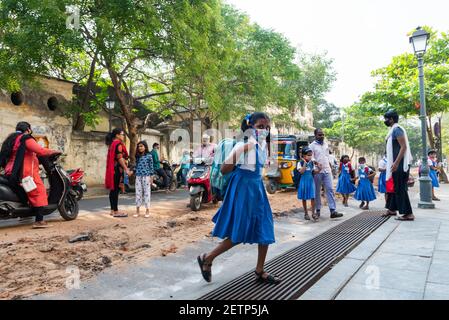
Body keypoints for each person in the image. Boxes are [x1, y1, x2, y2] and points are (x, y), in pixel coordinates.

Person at [197, 112, 281, 285]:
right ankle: (207, 258)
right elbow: (224, 169)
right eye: (260, 127)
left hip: (257, 190)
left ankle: (260, 270)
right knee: (240, 232)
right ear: (250, 128)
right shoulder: (242, 145)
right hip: (243, 190)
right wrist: (243, 149)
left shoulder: (263, 146)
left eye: (266, 127)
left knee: (265, 228)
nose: (264, 130)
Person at [0, 122, 60, 228]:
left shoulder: (12, 139)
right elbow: (40, 150)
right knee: (39, 192)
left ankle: (25, 214)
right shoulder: (26, 138)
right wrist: (54, 151)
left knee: (28, 193)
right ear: (28, 129)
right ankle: (39, 221)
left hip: (11, 171)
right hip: (26, 173)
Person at [382, 110, 414, 221]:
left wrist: (395, 163)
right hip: (396, 163)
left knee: (400, 188)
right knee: (394, 186)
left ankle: (408, 213)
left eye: (386, 118)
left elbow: (403, 147)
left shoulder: (397, 130)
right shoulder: (392, 131)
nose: (385, 121)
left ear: (391, 119)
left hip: (400, 164)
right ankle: (391, 209)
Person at [309, 128, 343, 220]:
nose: (322, 136)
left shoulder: (326, 144)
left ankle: (333, 211)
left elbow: (327, 157)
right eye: (320, 135)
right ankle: (317, 211)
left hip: (327, 171)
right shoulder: (312, 146)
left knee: (330, 189)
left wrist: (331, 166)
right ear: (315, 135)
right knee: (317, 192)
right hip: (317, 171)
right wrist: (316, 163)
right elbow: (311, 158)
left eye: (323, 134)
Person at [105, 128, 132, 218]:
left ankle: (112, 210)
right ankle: (116, 211)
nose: (123, 136)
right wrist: (126, 169)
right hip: (117, 170)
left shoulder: (112, 144)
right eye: (122, 134)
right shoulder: (118, 144)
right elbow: (120, 158)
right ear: (117, 135)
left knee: (113, 190)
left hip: (113, 169)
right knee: (115, 190)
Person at [297, 148, 318, 221]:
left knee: (313, 197)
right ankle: (306, 213)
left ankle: (313, 213)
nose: (310, 156)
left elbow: (314, 172)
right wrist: (305, 163)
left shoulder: (312, 163)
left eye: (311, 155)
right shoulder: (300, 163)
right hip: (304, 181)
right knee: (304, 198)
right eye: (308, 155)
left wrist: (319, 168)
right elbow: (301, 172)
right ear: (304, 156)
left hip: (311, 181)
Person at [134, 141, 154, 218]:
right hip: (138, 176)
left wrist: (151, 177)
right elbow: (136, 166)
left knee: (147, 193)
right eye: (139, 146)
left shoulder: (149, 156)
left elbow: (151, 167)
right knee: (138, 194)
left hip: (146, 176)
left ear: (145, 147)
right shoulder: (137, 156)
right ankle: (137, 211)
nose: (140, 148)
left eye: (141, 146)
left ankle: (147, 211)